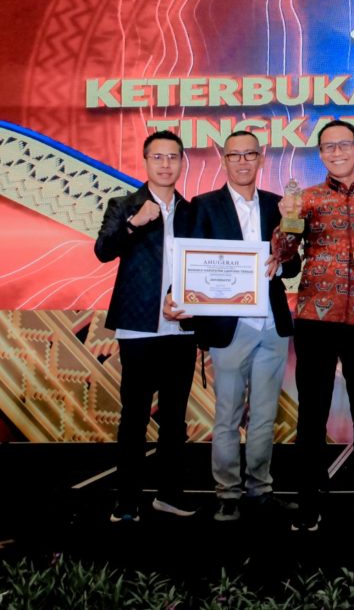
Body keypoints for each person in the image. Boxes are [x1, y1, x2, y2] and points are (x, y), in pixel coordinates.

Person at [164, 130, 300, 522]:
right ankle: (227, 492)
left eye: (250, 155)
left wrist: (280, 263)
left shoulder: (278, 205)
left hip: (271, 325)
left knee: (264, 416)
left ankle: (260, 489)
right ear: (224, 160)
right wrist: (176, 295)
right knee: (227, 415)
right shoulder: (204, 206)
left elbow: (293, 264)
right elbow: (191, 260)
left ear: (261, 159)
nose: (243, 162)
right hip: (228, 326)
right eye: (234, 155)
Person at [271, 119, 354, 532]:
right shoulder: (304, 199)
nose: (337, 152)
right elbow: (285, 257)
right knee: (312, 413)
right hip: (315, 317)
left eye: (344, 144)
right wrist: (286, 222)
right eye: (329, 147)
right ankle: (309, 499)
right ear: (321, 154)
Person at [94, 130, 197, 522]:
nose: (166, 164)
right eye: (158, 157)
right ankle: (127, 500)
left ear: (182, 162)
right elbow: (103, 251)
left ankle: (169, 494)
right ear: (146, 161)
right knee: (134, 417)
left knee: (174, 419)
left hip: (182, 329)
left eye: (173, 157)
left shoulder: (192, 211)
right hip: (137, 328)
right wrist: (134, 224)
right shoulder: (123, 205)